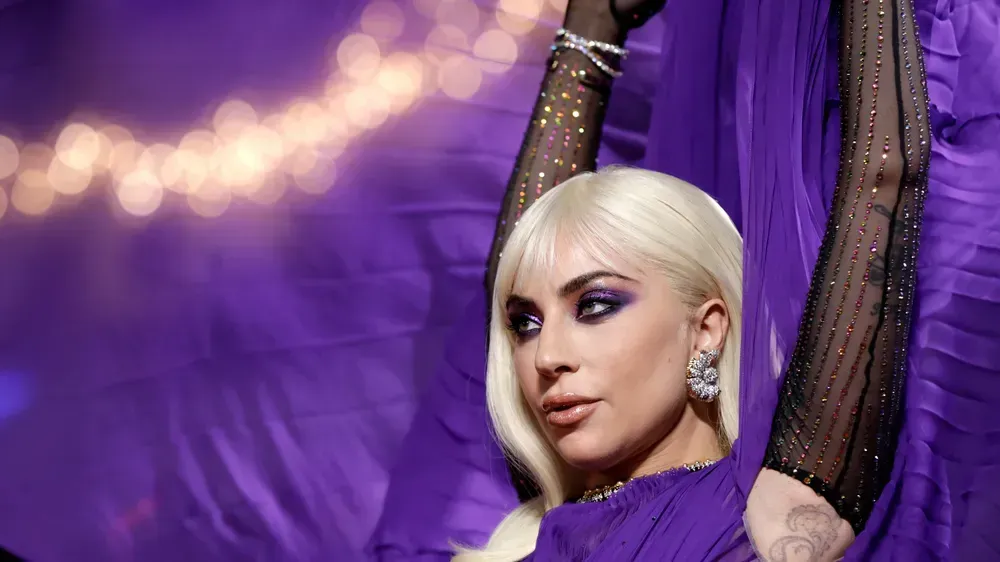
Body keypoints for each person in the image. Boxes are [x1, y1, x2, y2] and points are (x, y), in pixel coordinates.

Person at [369, 0, 1000, 556]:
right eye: (526, 324)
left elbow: (882, 178)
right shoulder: (541, 532)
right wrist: (592, 24)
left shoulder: (771, 511)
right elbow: (511, 278)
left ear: (708, 328)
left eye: (595, 305)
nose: (546, 357)